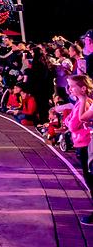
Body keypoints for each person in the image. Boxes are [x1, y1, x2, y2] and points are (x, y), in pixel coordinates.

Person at [55, 75, 93, 225]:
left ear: (83, 88)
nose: (69, 89)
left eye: (72, 86)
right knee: (89, 179)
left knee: (90, 180)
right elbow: (68, 120)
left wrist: (70, 121)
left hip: (86, 144)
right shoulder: (79, 103)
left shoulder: (86, 103)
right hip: (81, 144)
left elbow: (73, 124)